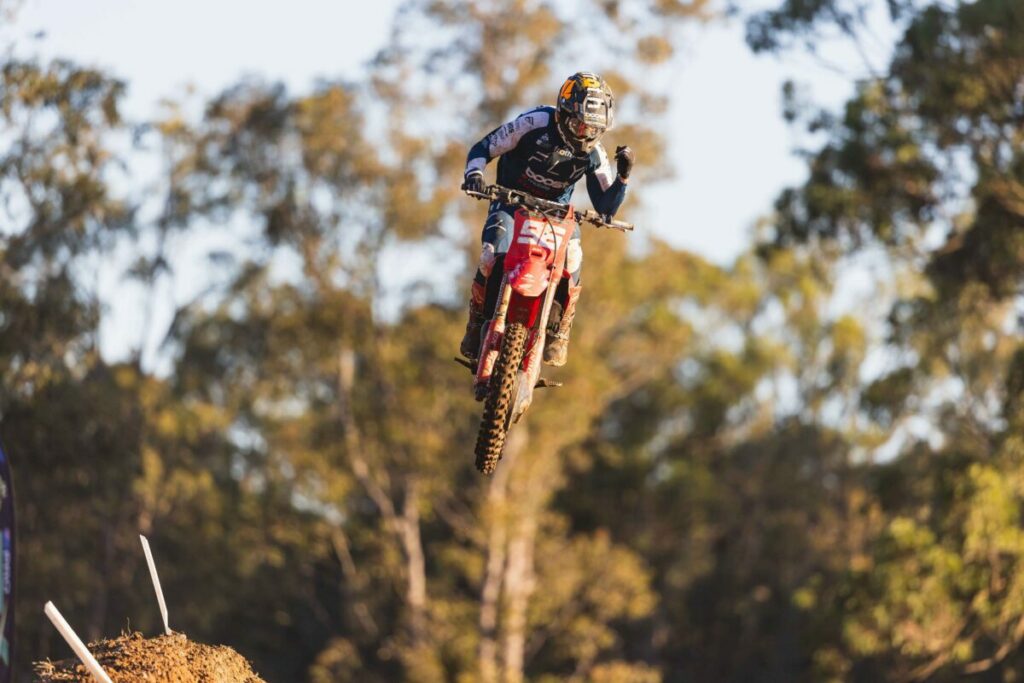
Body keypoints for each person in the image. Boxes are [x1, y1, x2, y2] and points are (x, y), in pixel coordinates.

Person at [459, 71, 634, 367]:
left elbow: (606, 207)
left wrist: (624, 177)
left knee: (574, 255)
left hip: (557, 214)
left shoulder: (596, 153)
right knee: (489, 254)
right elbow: (484, 147)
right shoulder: (534, 122)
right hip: (510, 203)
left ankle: (560, 331)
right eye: (579, 125)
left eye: (593, 129)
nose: (585, 135)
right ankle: (476, 321)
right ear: (564, 113)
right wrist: (474, 174)